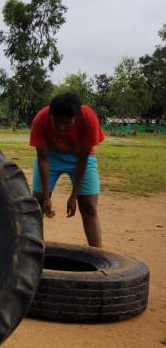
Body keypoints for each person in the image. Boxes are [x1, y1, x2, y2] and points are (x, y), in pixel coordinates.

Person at [29, 92, 104, 247]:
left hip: (80, 156)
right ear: (50, 115)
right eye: (57, 122)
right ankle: (32, 255)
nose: (61, 128)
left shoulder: (88, 118)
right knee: (37, 204)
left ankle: (99, 257)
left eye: (67, 122)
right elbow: (42, 159)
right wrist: (46, 197)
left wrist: (74, 195)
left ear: (76, 116)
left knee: (88, 205)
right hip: (50, 157)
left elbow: (83, 160)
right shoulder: (41, 119)